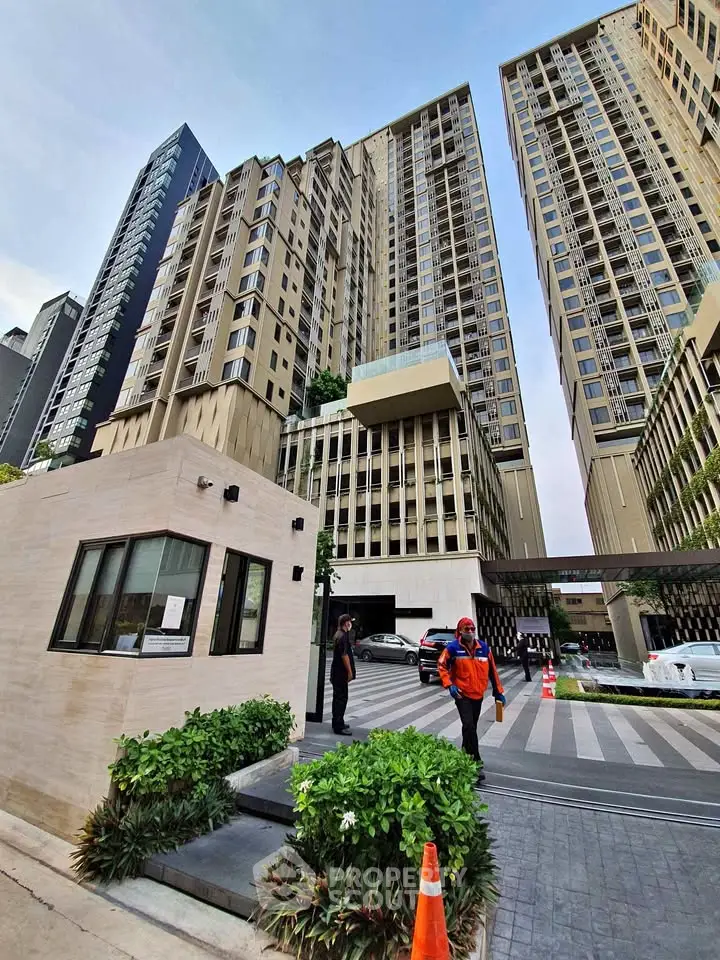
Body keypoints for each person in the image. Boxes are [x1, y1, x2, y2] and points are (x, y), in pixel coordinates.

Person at [437, 617, 505, 782]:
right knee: (468, 725)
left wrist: (498, 691)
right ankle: (476, 762)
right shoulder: (453, 648)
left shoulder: (484, 648)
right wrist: (449, 685)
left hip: (478, 694)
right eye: (466, 629)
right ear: (460, 631)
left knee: (470, 727)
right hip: (462, 694)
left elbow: (492, 671)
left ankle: (464, 754)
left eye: (472, 628)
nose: (470, 632)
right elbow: (441, 665)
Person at [330, 614, 356, 736]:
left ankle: (337, 722)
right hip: (340, 673)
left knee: (337, 698)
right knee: (341, 699)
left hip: (336, 672)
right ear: (346, 623)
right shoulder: (343, 636)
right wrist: (350, 672)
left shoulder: (337, 634)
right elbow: (344, 656)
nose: (351, 624)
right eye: (350, 622)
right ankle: (339, 726)